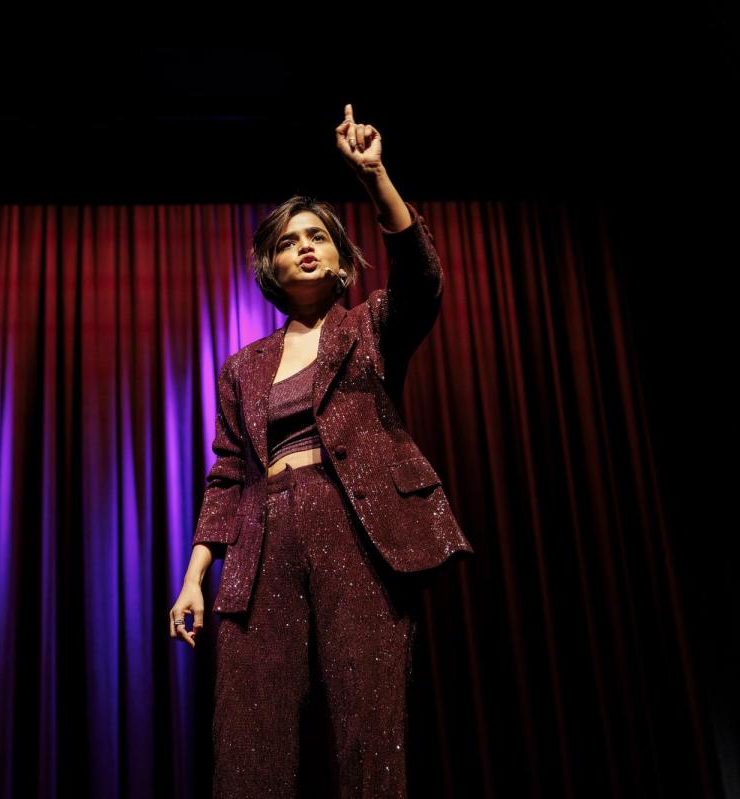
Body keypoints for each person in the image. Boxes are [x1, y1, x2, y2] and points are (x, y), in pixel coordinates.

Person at [169, 103, 474, 797]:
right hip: (262, 539)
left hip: (355, 529)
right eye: (287, 241)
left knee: (371, 727)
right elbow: (227, 475)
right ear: (271, 267)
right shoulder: (242, 366)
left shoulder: (371, 327)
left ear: (341, 257)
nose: (303, 246)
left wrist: (375, 178)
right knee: (249, 737)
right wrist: (194, 575)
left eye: (316, 236)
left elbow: (422, 279)